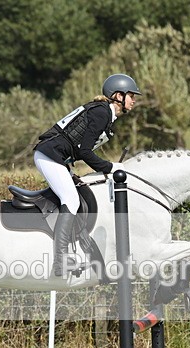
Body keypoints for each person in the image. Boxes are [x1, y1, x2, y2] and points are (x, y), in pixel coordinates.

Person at [34, 73, 140, 277]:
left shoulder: (104, 113)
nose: (134, 100)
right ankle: (60, 261)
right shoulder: (101, 113)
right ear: (118, 95)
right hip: (49, 156)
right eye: (131, 95)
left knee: (79, 195)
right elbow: (84, 152)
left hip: (56, 157)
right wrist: (110, 167)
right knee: (71, 200)